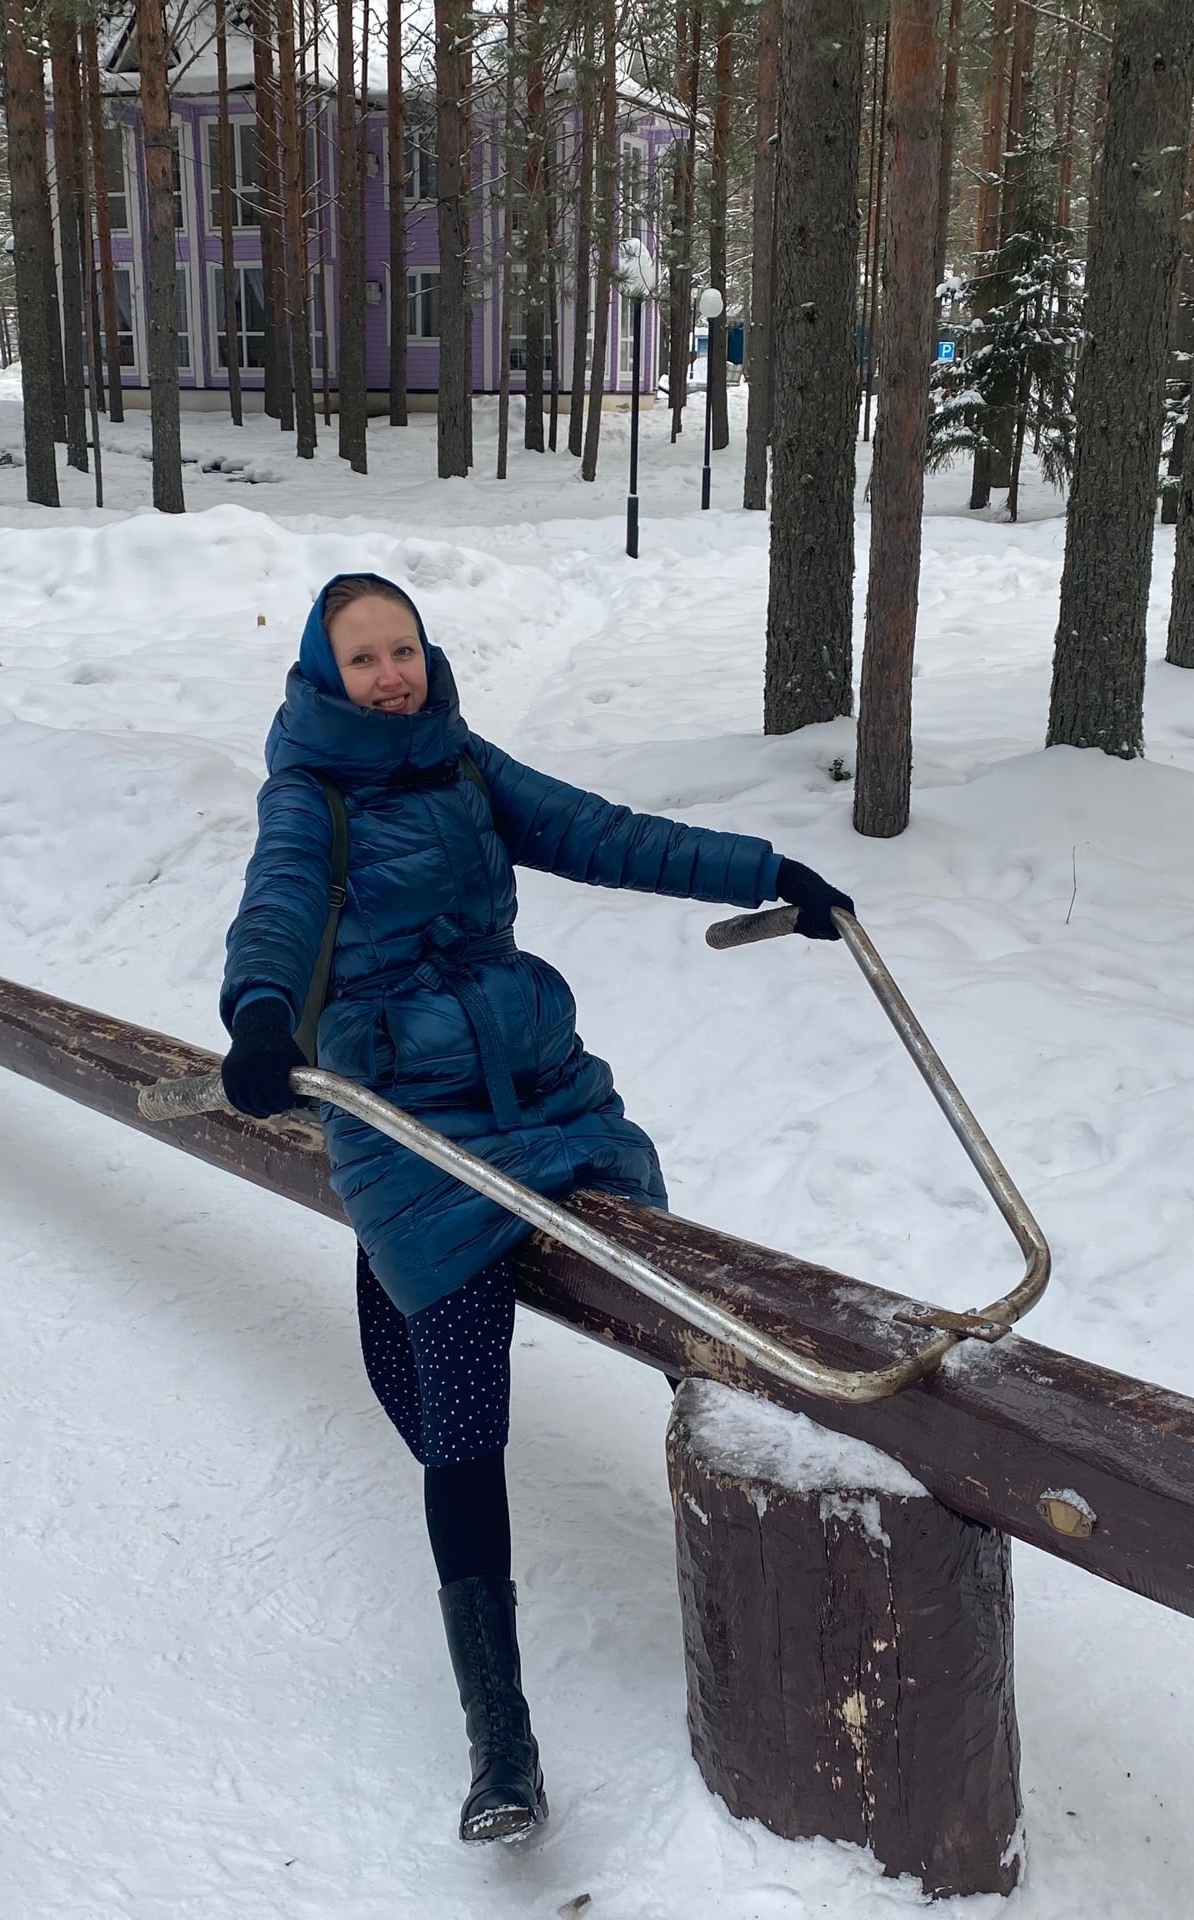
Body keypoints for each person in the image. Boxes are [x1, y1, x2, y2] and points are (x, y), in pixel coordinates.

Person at [218, 573, 853, 1844]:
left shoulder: (459, 763)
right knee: (462, 1401)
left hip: (541, 1087)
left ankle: (776, 1546)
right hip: (405, 1112)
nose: (392, 672)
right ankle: (498, 1736)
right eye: (365, 657)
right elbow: (278, 913)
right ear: (321, 673)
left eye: (405, 647)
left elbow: (601, 832)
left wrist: (764, 869)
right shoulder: (312, 798)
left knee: (669, 1278)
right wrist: (257, 1016)